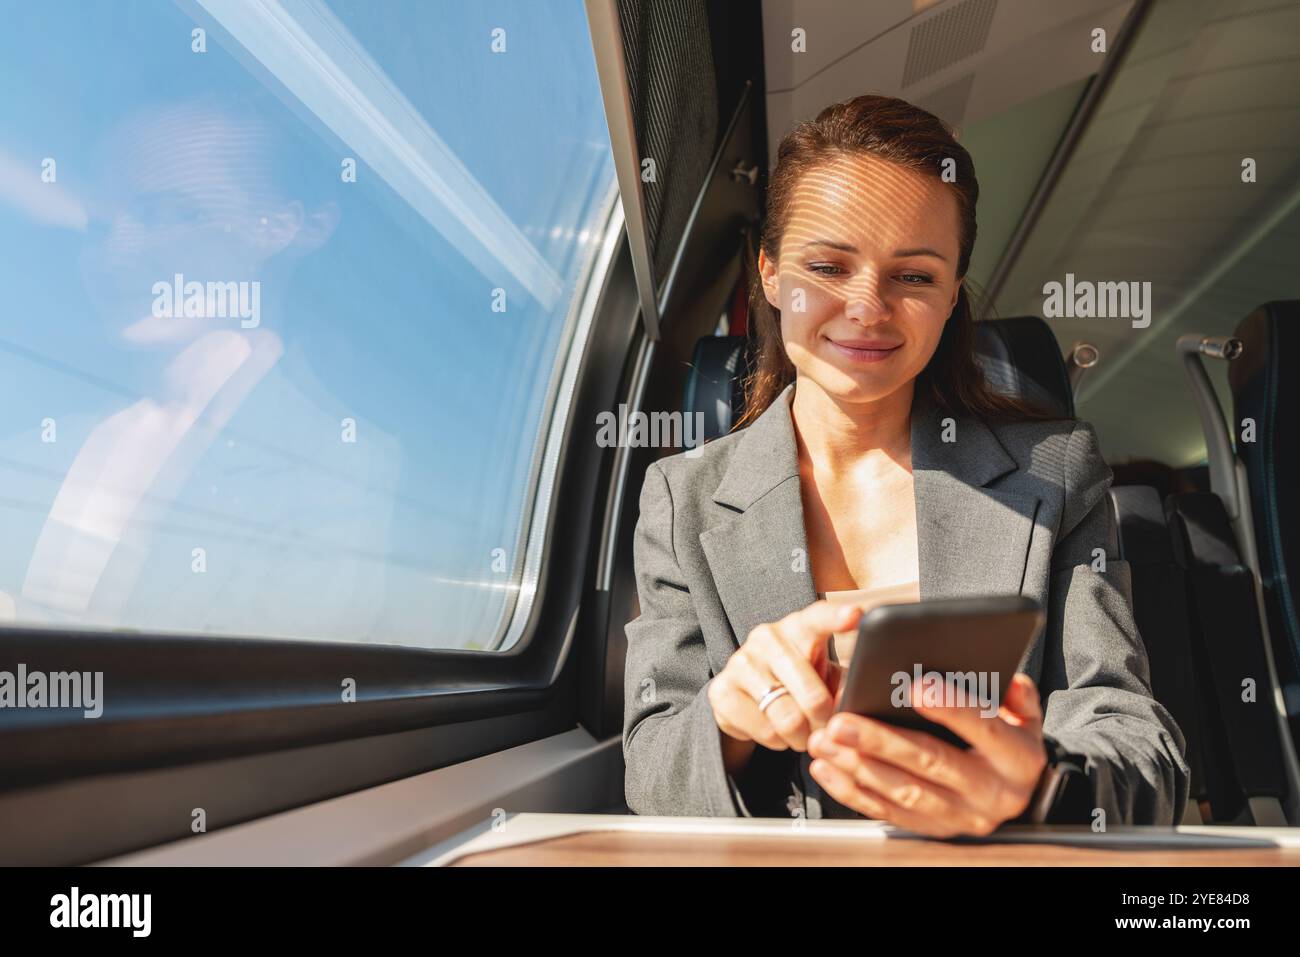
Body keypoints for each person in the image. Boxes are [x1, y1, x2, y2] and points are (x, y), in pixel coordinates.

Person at [621, 93, 1190, 835]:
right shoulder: (680, 498)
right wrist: (728, 718)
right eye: (827, 265)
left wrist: (1042, 788)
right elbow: (650, 766)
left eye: (914, 277)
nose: (866, 307)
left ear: (954, 293)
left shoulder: (1056, 475)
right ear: (768, 272)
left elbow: (1139, 741)